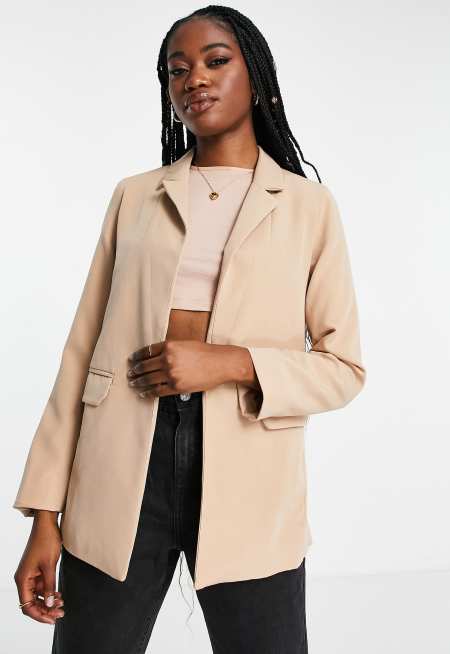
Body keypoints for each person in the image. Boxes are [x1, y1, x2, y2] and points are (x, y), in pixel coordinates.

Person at [13, 5, 366, 653]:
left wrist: (228, 362)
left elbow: (342, 369)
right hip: (121, 463)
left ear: (256, 78)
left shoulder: (308, 207)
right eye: (177, 70)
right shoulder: (134, 196)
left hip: (250, 469)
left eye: (215, 61)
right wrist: (43, 514)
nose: (193, 79)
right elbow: (81, 356)